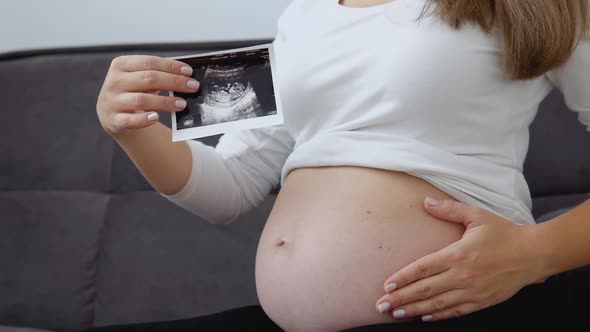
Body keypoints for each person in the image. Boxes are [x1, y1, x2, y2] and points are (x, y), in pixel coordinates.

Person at [89, 0, 590, 331]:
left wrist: (534, 253)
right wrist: (133, 129)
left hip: (453, 306)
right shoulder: (304, 18)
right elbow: (231, 187)